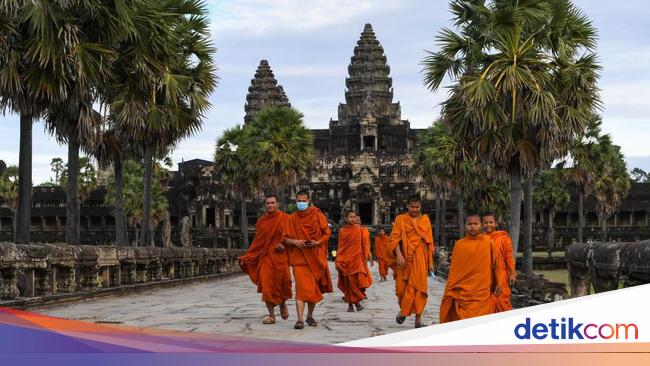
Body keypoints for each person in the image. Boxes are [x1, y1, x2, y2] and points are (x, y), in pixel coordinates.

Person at [439, 214, 505, 323]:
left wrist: (499, 282)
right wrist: (450, 289)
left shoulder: (488, 242)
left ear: (481, 225)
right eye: (469, 224)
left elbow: (496, 264)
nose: (472, 226)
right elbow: (454, 272)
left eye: (476, 224)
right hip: (463, 293)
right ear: (465, 226)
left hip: (481, 292)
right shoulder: (459, 245)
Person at [282, 190, 333, 329]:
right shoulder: (291, 219)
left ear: (309, 201)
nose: (301, 203)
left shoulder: (318, 216)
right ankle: (299, 319)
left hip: (315, 257)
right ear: (296, 201)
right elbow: (285, 238)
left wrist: (318, 242)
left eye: (304, 201)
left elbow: (326, 233)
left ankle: (309, 315)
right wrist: (295, 242)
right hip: (299, 259)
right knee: (301, 288)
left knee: (312, 289)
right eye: (299, 200)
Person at [239, 195, 292, 324]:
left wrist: (284, 246)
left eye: (272, 203)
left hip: (280, 257)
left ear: (277, 204)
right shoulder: (261, 221)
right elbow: (258, 240)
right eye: (268, 203)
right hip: (265, 256)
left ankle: (282, 303)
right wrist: (249, 255)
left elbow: (291, 236)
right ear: (265, 205)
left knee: (283, 282)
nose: (270, 205)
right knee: (266, 283)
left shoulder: (286, 219)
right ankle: (271, 315)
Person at [386, 194, 435, 328]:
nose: (414, 209)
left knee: (419, 290)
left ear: (421, 207)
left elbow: (429, 243)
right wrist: (399, 254)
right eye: (412, 207)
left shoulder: (425, 220)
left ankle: (418, 321)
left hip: (420, 259)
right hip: (404, 260)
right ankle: (404, 311)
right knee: (401, 290)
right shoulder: (400, 219)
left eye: (417, 207)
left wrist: (430, 262)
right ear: (407, 206)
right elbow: (394, 239)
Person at [336, 211, 372, 312]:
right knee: (348, 283)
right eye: (350, 217)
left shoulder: (359, 230)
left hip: (356, 259)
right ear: (346, 219)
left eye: (354, 217)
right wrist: (338, 260)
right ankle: (354, 304)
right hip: (344, 260)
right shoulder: (342, 231)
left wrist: (366, 256)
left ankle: (353, 304)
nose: (353, 219)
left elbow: (363, 244)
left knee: (354, 282)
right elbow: (341, 246)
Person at [482, 213, 516, 312]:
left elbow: (508, 257)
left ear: (496, 224)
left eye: (491, 222)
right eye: (485, 222)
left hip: (501, 275)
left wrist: (512, 273)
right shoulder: (480, 239)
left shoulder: (503, 238)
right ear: (482, 224)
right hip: (485, 275)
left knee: (502, 300)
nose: (488, 225)